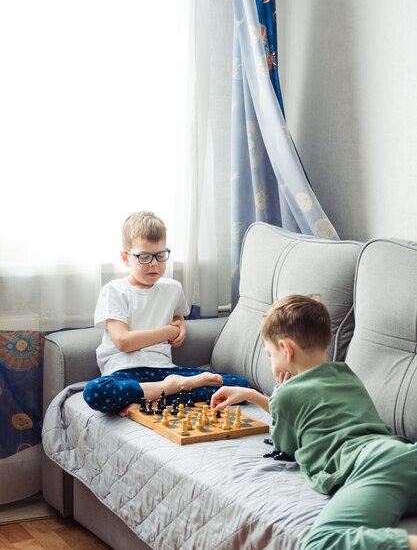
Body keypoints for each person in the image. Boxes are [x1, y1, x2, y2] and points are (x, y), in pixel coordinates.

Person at [211, 294, 417, 550]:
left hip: (373, 465)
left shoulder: (285, 394)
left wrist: (277, 395)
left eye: (270, 354)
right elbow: (309, 412)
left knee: (323, 543)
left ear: (285, 349)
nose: (271, 361)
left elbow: (284, 444)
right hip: (404, 453)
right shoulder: (347, 374)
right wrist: (254, 395)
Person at [83, 210, 251, 417]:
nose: (154, 263)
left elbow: (177, 317)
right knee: (95, 392)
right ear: (126, 258)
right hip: (124, 372)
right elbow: (123, 342)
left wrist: (180, 324)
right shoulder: (114, 291)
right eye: (144, 257)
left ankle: (148, 397)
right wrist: (168, 332)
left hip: (163, 369)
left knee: (239, 385)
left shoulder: (172, 288)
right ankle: (172, 389)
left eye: (160, 255)